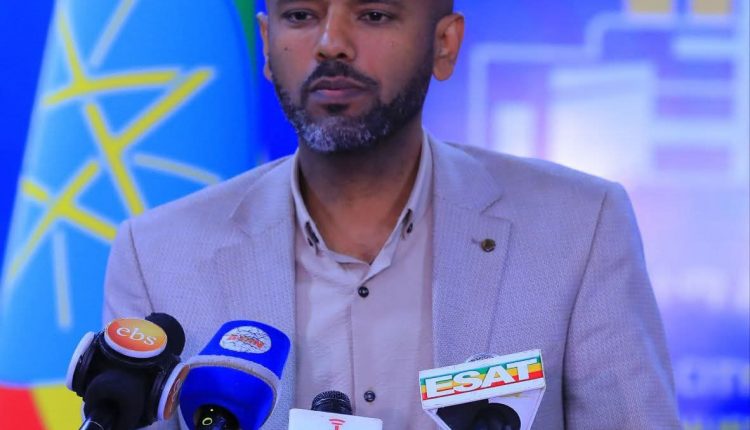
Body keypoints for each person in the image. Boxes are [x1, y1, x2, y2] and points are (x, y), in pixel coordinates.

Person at [104, 0, 681, 428]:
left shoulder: (579, 226)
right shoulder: (158, 254)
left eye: (374, 14)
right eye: (301, 15)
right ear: (267, 44)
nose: (331, 43)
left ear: (444, 44)